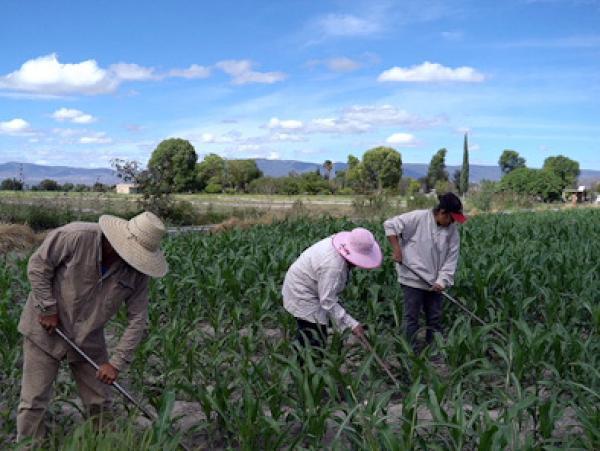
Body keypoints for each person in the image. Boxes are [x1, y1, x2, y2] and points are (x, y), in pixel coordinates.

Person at [17, 211, 169, 443]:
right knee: (33, 401)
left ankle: (104, 444)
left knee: (100, 402)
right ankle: (28, 446)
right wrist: (47, 308)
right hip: (45, 330)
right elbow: (38, 266)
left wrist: (116, 364)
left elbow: (138, 319)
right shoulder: (76, 236)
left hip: (89, 337)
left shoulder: (137, 273)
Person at [282, 227, 382, 361]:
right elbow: (327, 301)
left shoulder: (339, 246)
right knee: (314, 336)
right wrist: (352, 324)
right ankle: (305, 369)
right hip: (302, 292)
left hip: (310, 284)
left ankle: (302, 360)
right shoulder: (334, 266)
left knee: (311, 332)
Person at [383, 192, 466, 351]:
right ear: (442, 212)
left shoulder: (452, 231)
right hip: (412, 278)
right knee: (411, 317)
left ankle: (434, 348)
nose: (453, 222)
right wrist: (397, 250)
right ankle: (410, 351)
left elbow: (451, 258)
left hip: (435, 282)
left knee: (434, 317)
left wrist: (442, 280)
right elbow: (390, 225)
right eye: (451, 218)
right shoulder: (418, 218)